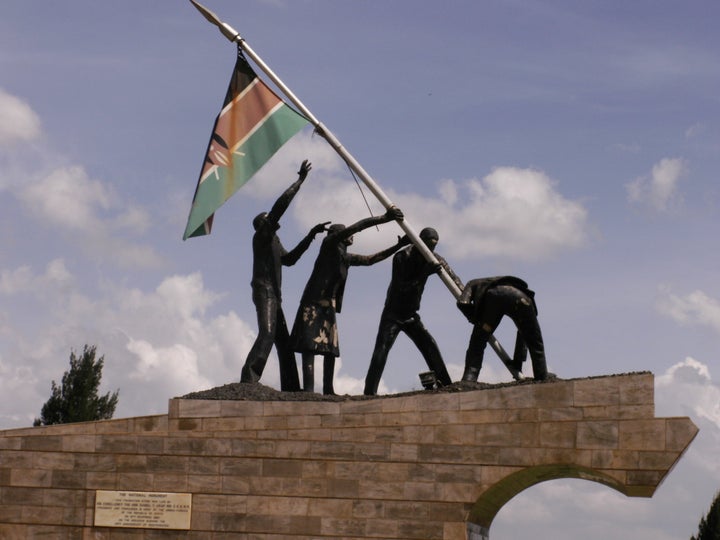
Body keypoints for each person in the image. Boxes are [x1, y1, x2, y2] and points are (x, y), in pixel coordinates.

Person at [290, 207, 406, 395]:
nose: (351, 235)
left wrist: (397, 246)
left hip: (328, 307)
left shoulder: (345, 258)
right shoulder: (329, 244)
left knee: (330, 348)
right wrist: (385, 218)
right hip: (312, 303)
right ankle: (309, 390)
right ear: (338, 235)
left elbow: (370, 260)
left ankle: (328, 389)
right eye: (346, 232)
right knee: (308, 346)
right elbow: (358, 226)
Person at [240, 160, 330, 391]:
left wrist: (311, 235)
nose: (274, 220)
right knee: (267, 333)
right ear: (263, 224)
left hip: (274, 295)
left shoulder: (274, 242)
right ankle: (249, 378)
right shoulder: (262, 237)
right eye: (270, 218)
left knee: (284, 343)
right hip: (264, 291)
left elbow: (290, 260)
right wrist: (299, 181)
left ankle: (291, 386)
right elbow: (280, 206)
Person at [363, 227, 462, 395]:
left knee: (429, 345)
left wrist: (463, 293)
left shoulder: (434, 259)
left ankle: (446, 385)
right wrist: (424, 274)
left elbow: (454, 278)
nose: (431, 250)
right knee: (381, 350)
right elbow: (401, 288)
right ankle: (369, 392)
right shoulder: (402, 257)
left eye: (434, 246)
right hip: (393, 313)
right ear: (419, 241)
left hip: (411, 315)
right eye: (428, 245)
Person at [456, 276, 549, 382]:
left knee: (478, 342)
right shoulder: (528, 303)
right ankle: (541, 376)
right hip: (520, 299)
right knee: (535, 343)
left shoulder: (472, 282)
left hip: (492, 298)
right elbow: (524, 336)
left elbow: (462, 302)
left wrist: (474, 318)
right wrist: (518, 363)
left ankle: (469, 378)